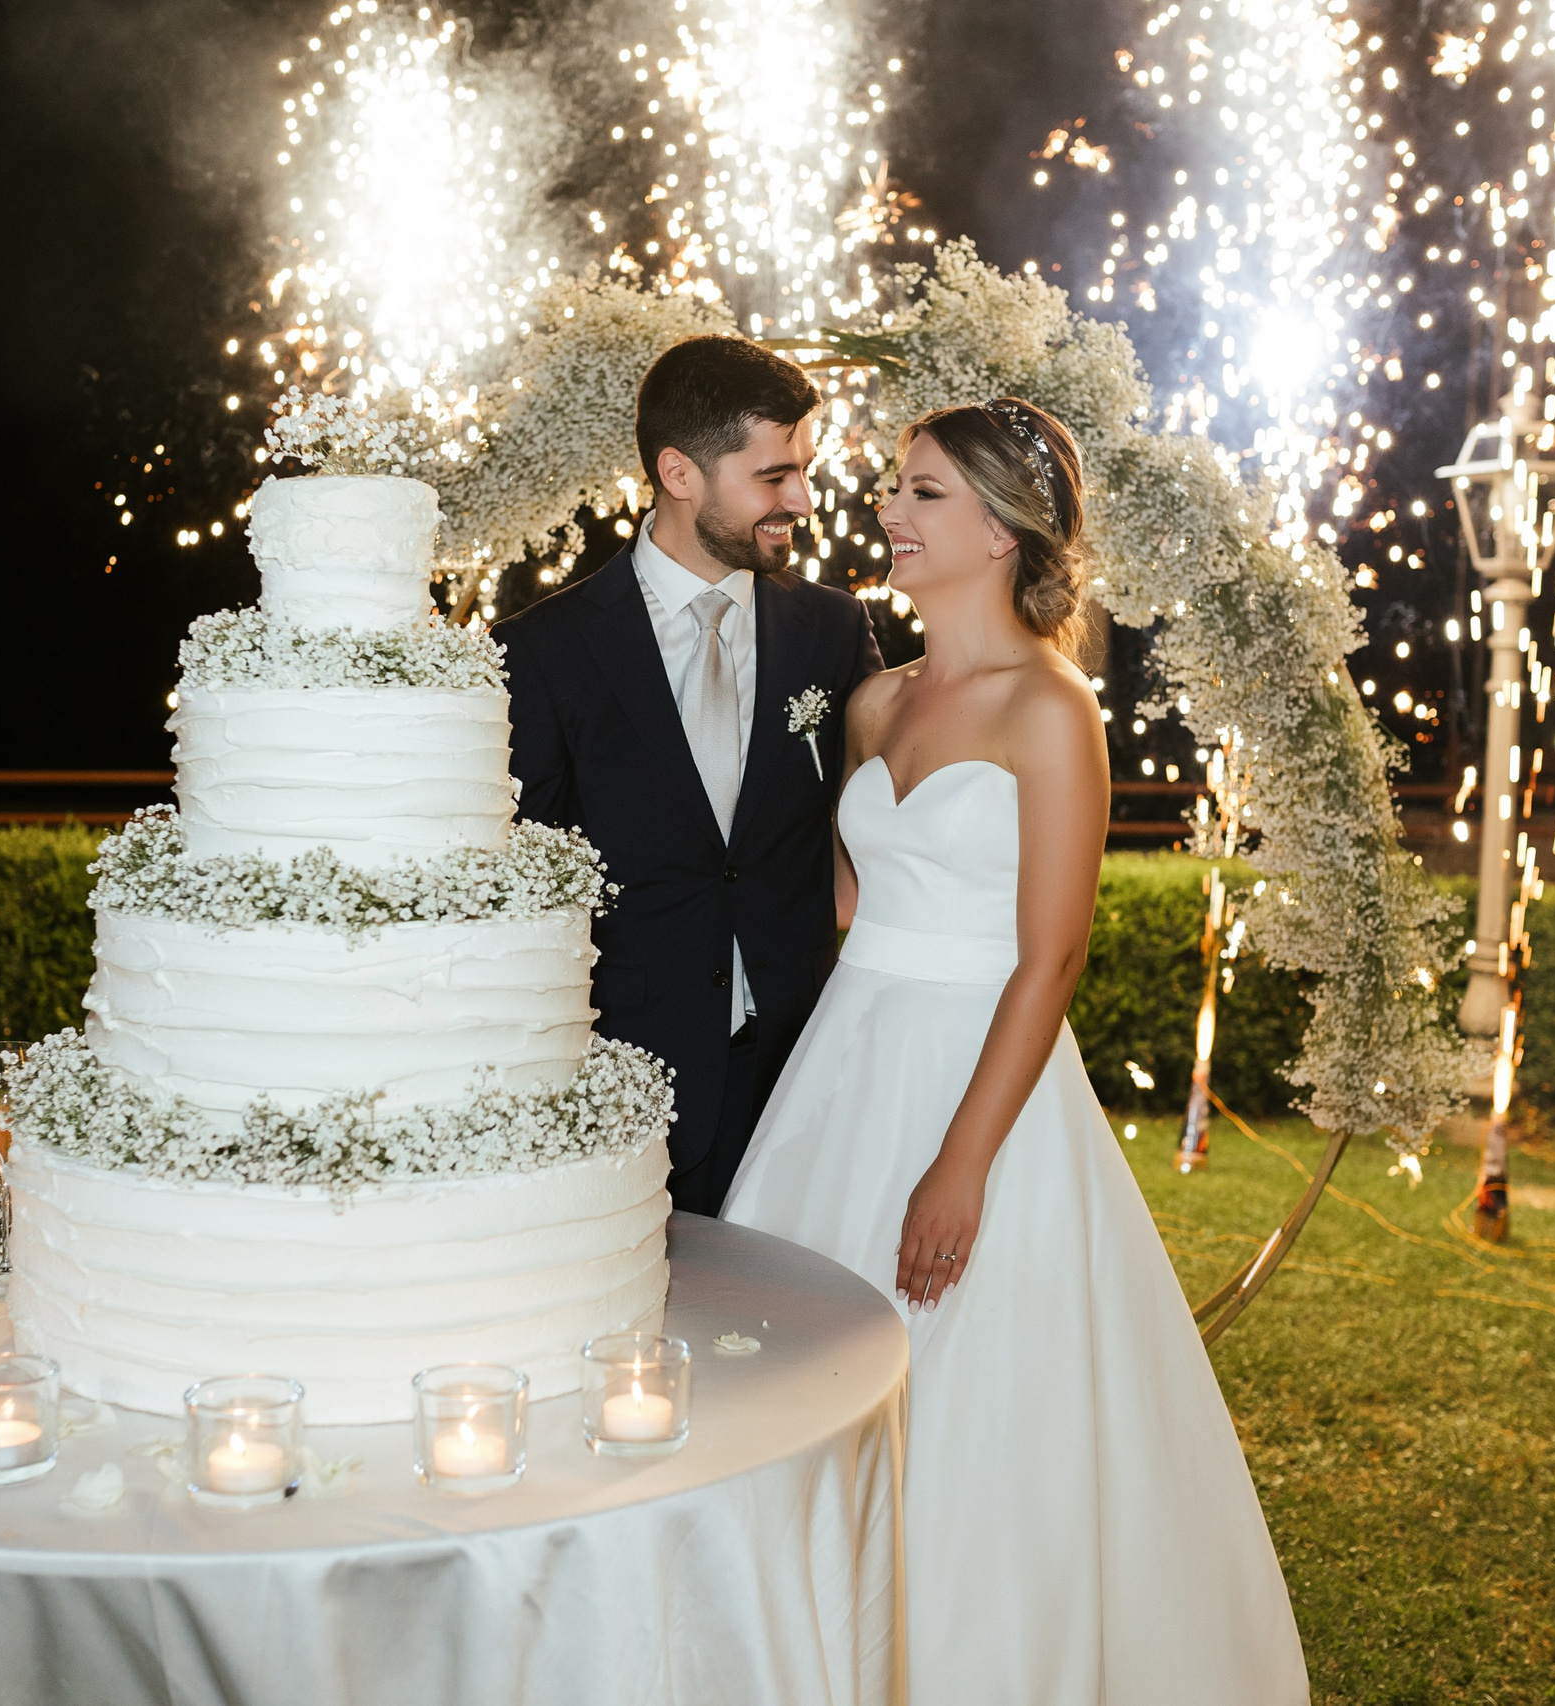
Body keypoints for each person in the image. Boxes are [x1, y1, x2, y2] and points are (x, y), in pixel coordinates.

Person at [722, 399, 1310, 1703]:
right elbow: (847, 905)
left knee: (974, 1399)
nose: (888, 512)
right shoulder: (875, 702)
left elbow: (1051, 957)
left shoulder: (1055, 711)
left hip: (982, 1076)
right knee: (806, 1375)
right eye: (894, 487)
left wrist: (959, 1163)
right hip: (847, 1068)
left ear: (997, 529)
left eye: (922, 493)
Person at [493, 335, 883, 1216]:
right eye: (774, 476)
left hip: (804, 1072)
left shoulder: (831, 630)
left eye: (803, 472)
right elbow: (528, 890)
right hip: (623, 1080)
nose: (803, 501)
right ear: (679, 472)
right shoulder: (541, 652)